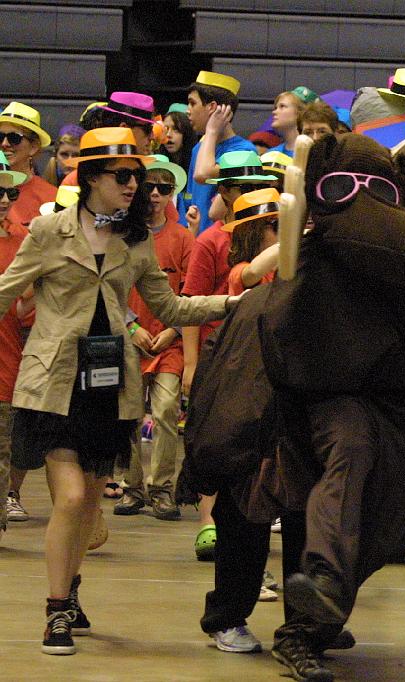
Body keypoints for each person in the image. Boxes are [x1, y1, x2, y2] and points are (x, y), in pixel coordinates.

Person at [0, 127, 235, 655]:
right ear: (89, 178)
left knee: (87, 509)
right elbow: (5, 292)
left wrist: (231, 303)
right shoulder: (49, 233)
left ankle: (72, 587)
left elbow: (172, 308)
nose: (137, 186)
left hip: (112, 387)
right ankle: (56, 612)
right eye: (124, 176)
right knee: (75, 497)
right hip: (54, 382)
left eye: (141, 177)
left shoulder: (136, 240)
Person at [180, 150, 276, 560]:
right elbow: (191, 301)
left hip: (269, 372)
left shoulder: (288, 262)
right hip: (225, 363)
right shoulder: (219, 249)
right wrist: (189, 362)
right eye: (275, 226)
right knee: (219, 447)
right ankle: (210, 523)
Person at [113, 155, 192, 522]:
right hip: (130, 337)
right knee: (128, 415)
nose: (157, 194)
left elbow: (191, 292)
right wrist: (131, 327)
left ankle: (162, 490)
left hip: (169, 341)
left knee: (163, 412)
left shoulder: (183, 238)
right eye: (150, 187)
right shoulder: (123, 237)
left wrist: (173, 331)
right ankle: (133, 488)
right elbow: (109, 290)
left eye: (165, 188)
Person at [0, 152, 31, 545]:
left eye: (10, 192)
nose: (6, 200)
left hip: (6, 360)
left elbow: (25, 305)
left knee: (2, 449)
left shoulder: (23, 240)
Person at [185, 70, 257, 234]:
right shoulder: (199, 148)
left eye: (192, 103)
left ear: (212, 108)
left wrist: (211, 131)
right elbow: (190, 199)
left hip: (223, 243)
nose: (188, 110)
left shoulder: (244, 151)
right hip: (198, 241)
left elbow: (202, 175)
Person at [0, 102, 57, 230]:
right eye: (0, 137)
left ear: (34, 147)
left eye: (14, 138)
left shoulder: (51, 197)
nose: (4, 143)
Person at [161, 106, 198, 217]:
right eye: (165, 129)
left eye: (176, 130)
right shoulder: (157, 162)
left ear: (187, 134)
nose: (169, 135)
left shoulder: (197, 166)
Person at [267, 90, 307, 158]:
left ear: (300, 113)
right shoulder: (271, 155)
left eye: (282, 106)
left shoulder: (312, 155)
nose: (274, 112)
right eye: (276, 108)